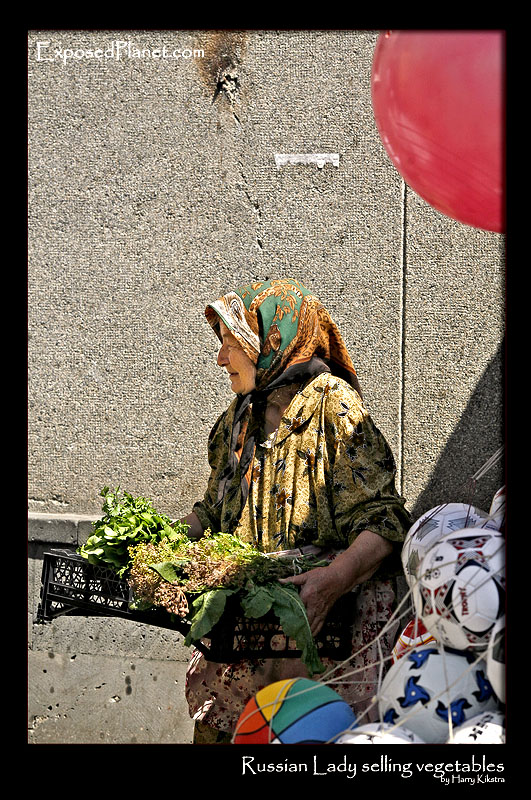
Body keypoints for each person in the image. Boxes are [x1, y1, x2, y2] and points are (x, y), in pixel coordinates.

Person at [181, 278, 411, 743]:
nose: (221, 359)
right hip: (249, 632)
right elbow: (212, 510)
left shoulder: (332, 406)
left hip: (324, 634)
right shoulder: (237, 420)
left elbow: (384, 522)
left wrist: (335, 580)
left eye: (231, 345)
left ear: (271, 345)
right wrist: (155, 544)